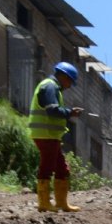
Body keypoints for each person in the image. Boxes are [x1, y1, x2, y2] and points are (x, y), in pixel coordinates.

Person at [29, 61, 84, 212]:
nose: (69, 86)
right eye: (70, 82)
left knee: (62, 169)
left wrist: (68, 112)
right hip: (45, 134)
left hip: (50, 135)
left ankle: (61, 203)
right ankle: (44, 202)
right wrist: (70, 112)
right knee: (47, 166)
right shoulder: (50, 86)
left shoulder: (53, 88)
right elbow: (52, 110)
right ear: (63, 76)